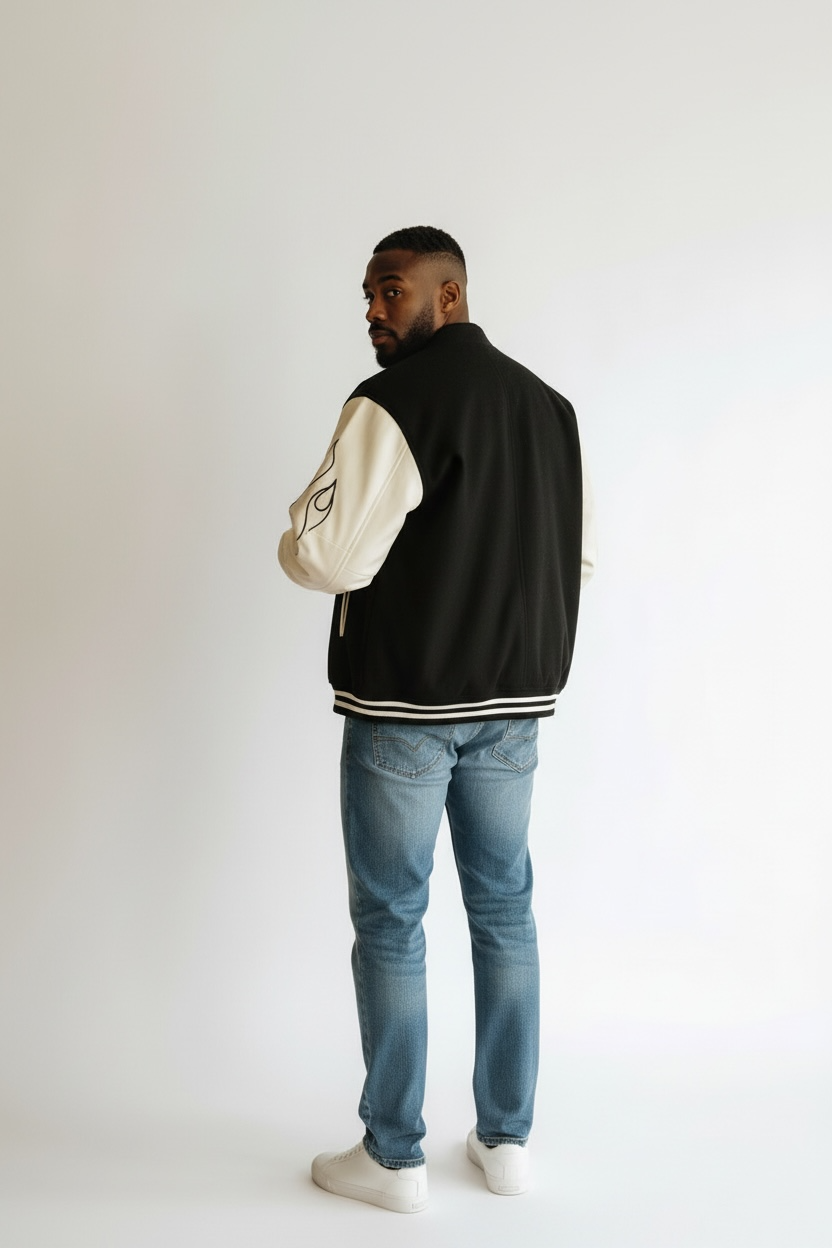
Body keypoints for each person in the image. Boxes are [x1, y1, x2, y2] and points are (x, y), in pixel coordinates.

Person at [278, 225, 595, 1214]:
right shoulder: (549, 409)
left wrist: (297, 529)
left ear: (447, 295)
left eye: (392, 290)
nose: (374, 311)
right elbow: (575, 558)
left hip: (405, 708)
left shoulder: (391, 403)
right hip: (515, 706)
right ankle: (506, 1142)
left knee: (391, 921)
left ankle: (395, 1157)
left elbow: (329, 556)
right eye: (368, 295)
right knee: (503, 908)